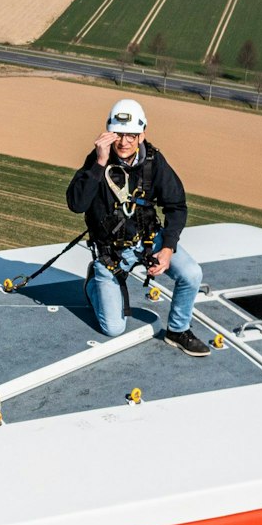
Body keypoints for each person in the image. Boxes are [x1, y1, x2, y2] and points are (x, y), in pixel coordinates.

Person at [66, 99, 210, 356]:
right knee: (113, 328)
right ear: (109, 133)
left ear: (142, 134)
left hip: (148, 240)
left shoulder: (154, 162)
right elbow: (76, 204)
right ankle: (92, 286)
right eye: (119, 134)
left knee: (191, 274)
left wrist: (167, 248)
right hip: (111, 253)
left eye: (131, 135)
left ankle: (178, 330)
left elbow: (176, 206)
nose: (124, 142)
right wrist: (99, 164)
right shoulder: (96, 162)